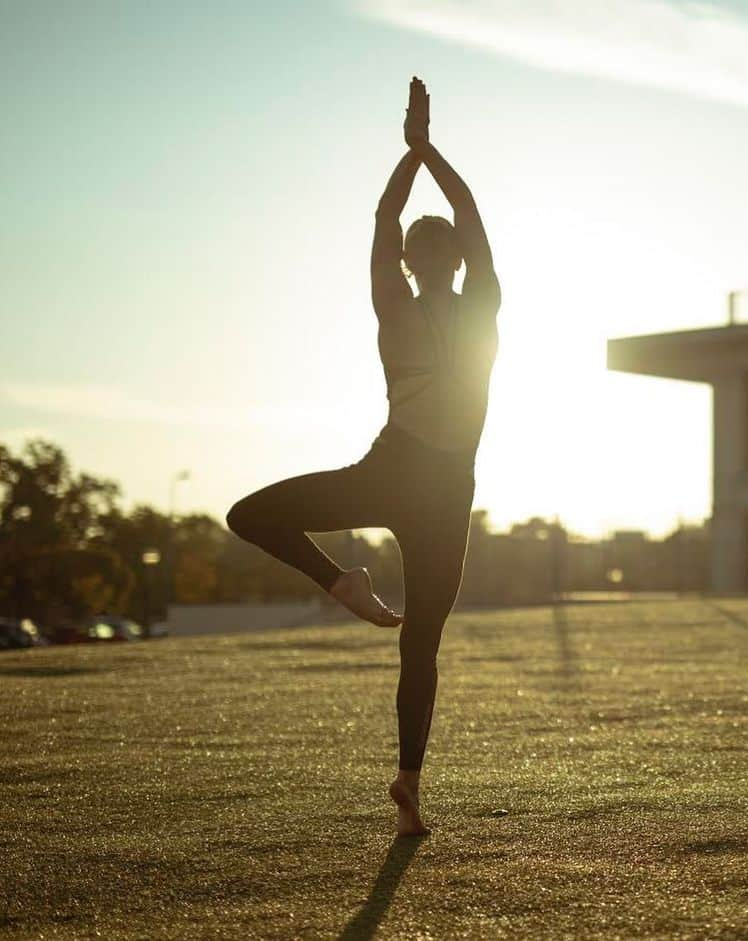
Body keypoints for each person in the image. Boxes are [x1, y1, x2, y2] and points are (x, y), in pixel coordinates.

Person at [226, 77, 500, 836]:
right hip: (412, 474)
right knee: (250, 515)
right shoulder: (415, 306)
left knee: (423, 642)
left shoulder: (463, 304)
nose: (440, 245)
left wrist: (418, 150)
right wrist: (419, 151)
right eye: (429, 242)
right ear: (418, 260)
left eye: (437, 240)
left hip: (433, 488)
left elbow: (449, 213)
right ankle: (340, 580)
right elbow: (414, 214)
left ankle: (409, 782)